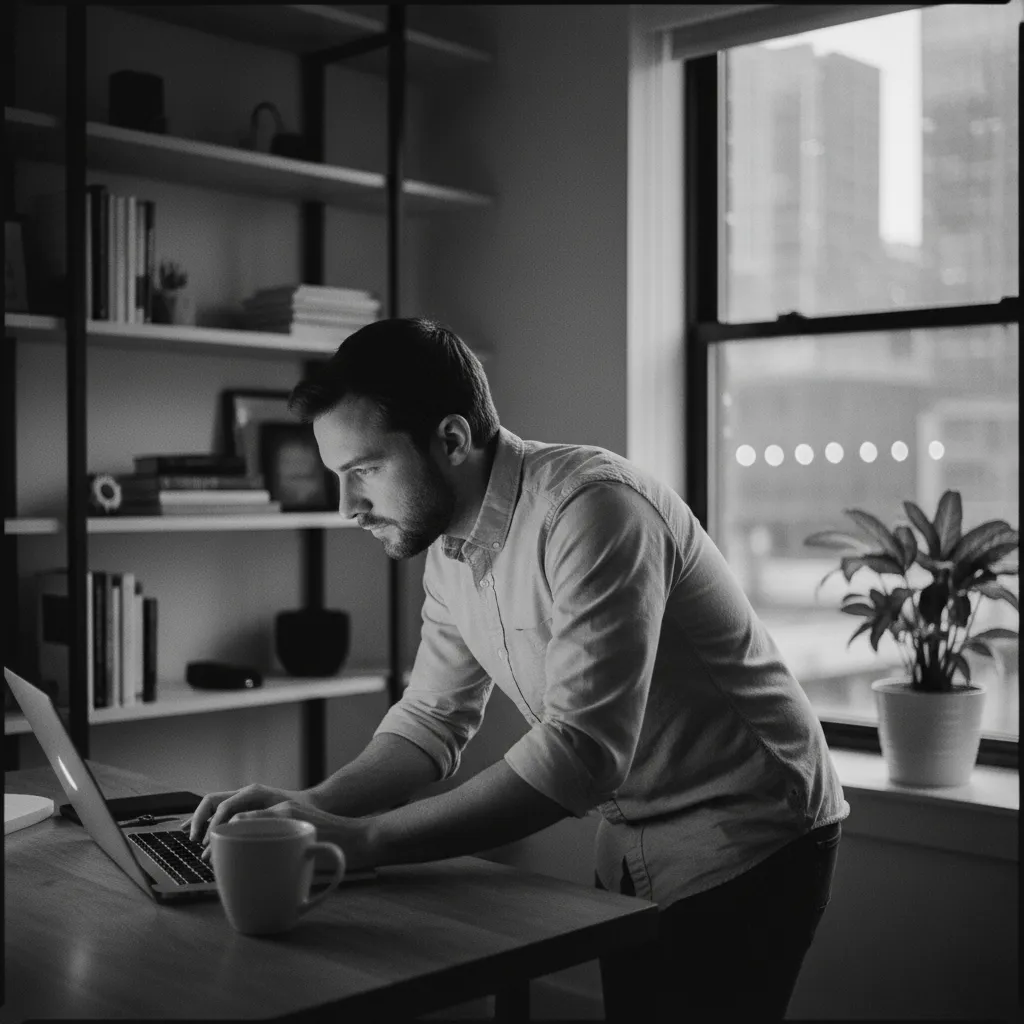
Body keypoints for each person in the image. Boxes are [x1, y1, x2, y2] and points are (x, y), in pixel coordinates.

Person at [184, 317, 849, 1021]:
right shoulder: (448, 549)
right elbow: (430, 721)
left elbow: (581, 754)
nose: (347, 507)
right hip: (633, 838)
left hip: (749, 833)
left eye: (364, 471)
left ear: (451, 439)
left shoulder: (592, 510)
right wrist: (316, 806)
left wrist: (368, 841)